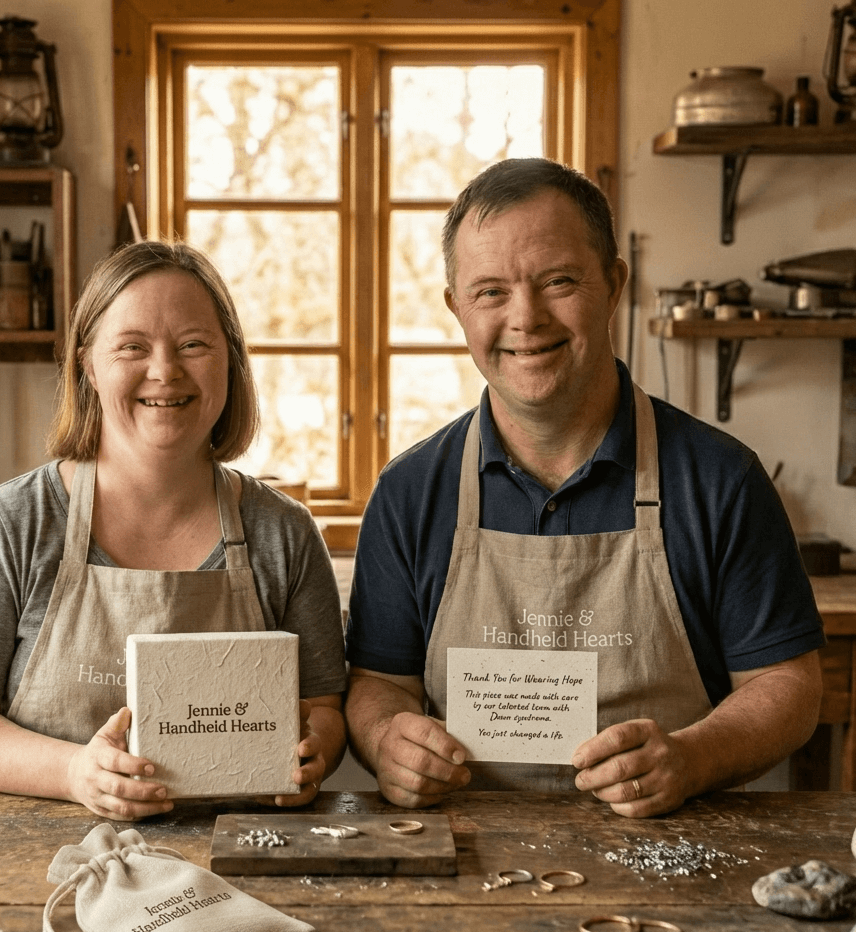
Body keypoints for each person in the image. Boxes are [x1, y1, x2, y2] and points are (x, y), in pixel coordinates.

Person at [344, 158, 824, 818]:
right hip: (468, 855)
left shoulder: (721, 480)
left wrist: (692, 758)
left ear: (614, 284)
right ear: (456, 307)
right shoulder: (408, 493)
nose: (526, 318)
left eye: (559, 281)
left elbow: (788, 684)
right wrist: (385, 740)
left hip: (673, 848)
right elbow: (379, 683)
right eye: (490, 292)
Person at [0, 240, 347, 820]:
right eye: (132, 347)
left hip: (229, 854)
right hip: (31, 855)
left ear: (231, 362)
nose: (164, 371)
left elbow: (322, 706)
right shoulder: (11, 523)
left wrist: (314, 753)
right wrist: (73, 772)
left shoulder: (285, 533)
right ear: (88, 366)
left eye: (193, 345)